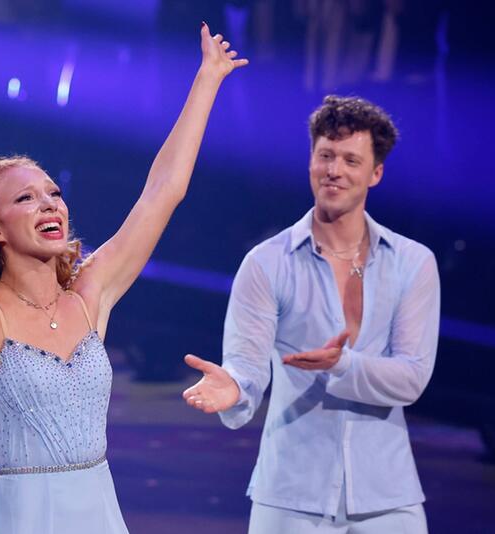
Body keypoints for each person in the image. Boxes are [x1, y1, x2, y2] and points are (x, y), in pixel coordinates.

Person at [0, 4, 247, 533]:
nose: (50, 205)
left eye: (54, 194)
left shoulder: (88, 298)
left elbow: (161, 195)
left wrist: (206, 82)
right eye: (27, 199)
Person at [182, 95, 439, 533]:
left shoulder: (413, 263)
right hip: (291, 496)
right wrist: (235, 391)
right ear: (310, 161)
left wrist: (343, 365)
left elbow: (412, 378)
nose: (334, 170)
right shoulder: (266, 263)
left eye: (350, 160)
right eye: (325, 156)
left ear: (375, 173)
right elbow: (246, 370)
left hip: (387, 497)